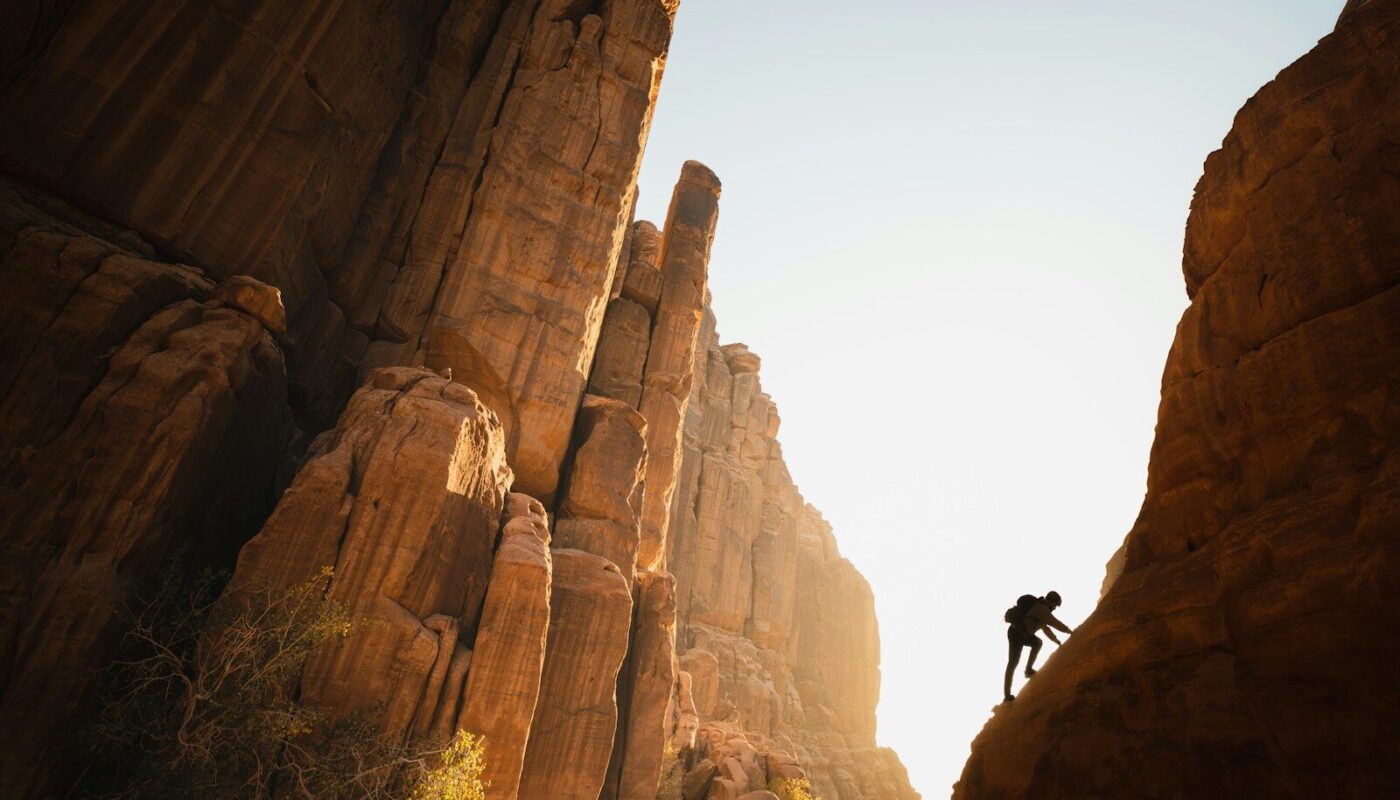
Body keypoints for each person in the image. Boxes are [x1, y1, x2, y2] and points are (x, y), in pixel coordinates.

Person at [1003, 590, 1072, 703]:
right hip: (1016, 633)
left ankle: (1028, 670)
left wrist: (1057, 641)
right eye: (1055, 605)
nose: (1054, 608)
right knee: (1013, 662)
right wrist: (1070, 632)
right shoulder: (1041, 609)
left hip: (1024, 634)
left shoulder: (1042, 610)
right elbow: (1055, 623)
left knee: (1037, 642)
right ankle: (1007, 695)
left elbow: (1047, 629)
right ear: (1050, 601)